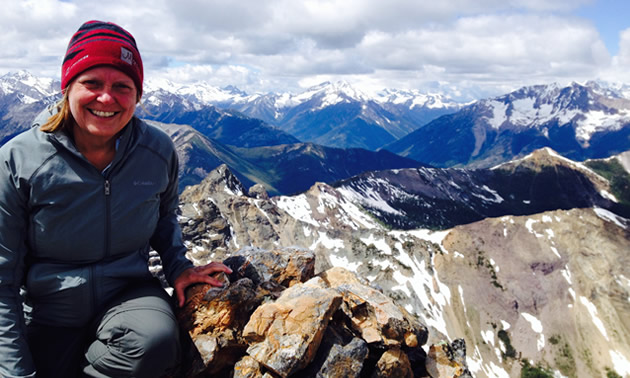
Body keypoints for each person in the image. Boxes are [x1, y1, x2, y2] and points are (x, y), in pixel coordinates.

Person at [0, 20, 231, 378]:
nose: (106, 98)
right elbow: (2, 281)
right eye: (91, 83)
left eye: (122, 87)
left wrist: (179, 267)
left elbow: (164, 214)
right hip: (48, 310)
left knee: (154, 342)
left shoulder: (157, 151)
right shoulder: (19, 160)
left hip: (128, 294)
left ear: (137, 96)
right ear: (67, 87)